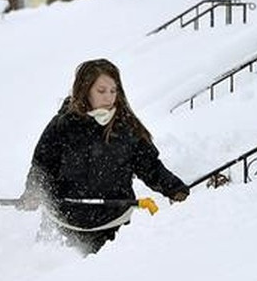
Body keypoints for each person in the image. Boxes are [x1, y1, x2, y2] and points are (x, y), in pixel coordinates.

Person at [18, 58, 190, 254]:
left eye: (113, 91)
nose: (109, 97)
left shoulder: (127, 129)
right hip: (63, 228)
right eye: (101, 91)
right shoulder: (62, 126)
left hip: (114, 231)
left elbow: (150, 167)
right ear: (85, 91)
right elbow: (42, 167)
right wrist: (34, 192)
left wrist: (176, 190)